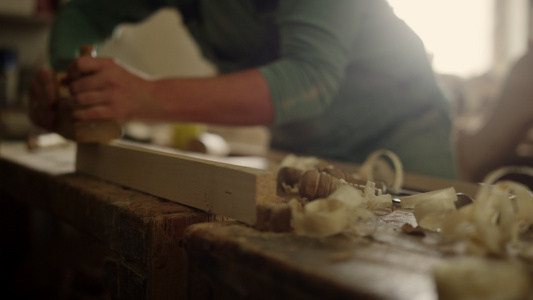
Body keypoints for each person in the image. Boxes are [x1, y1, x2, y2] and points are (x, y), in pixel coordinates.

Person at [29, 0, 458, 179]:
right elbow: (85, 14)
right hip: (306, 146)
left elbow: (309, 80)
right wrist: (74, 86)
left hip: (403, 135)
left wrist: (145, 97)